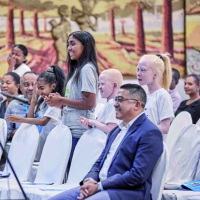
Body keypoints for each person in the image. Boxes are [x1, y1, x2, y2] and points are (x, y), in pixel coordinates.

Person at [50, 84, 163, 200]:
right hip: (101, 187)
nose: (115, 104)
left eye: (120, 100)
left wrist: (99, 186)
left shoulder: (149, 132)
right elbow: (99, 162)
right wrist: (90, 180)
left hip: (127, 193)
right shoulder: (116, 130)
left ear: (137, 105)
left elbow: (137, 175)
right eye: (116, 100)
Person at [45, 31, 99, 163]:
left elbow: (89, 103)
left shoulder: (87, 69)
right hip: (70, 129)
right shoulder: (77, 69)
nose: (69, 48)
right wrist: (58, 101)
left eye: (73, 44)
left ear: (85, 46)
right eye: (68, 44)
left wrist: (62, 100)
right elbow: (75, 100)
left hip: (79, 131)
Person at [7, 65, 65, 161]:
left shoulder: (55, 99)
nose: (39, 91)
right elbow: (31, 121)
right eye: (38, 88)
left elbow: (43, 121)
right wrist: (33, 100)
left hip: (51, 144)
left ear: (53, 86)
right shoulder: (41, 100)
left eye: (42, 88)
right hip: (40, 143)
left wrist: (20, 119)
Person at [137, 53, 174, 135]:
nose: (138, 73)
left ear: (155, 75)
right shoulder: (144, 95)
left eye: (143, 70)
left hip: (154, 144)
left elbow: (165, 128)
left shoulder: (163, 95)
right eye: (138, 69)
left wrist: (141, 130)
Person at [78, 69, 123, 134]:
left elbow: (111, 129)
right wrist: (90, 125)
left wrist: (93, 122)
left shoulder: (114, 103)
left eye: (102, 84)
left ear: (114, 85)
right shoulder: (109, 104)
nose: (99, 87)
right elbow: (103, 128)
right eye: (99, 84)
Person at [5, 71, 38, 140]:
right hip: (20, 143)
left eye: (34, 85)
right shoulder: (14, 104)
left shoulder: (44, 103)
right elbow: (7, 132)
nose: (30, 88)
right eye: (26, 85)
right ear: (20, 87)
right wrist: (19, 133)